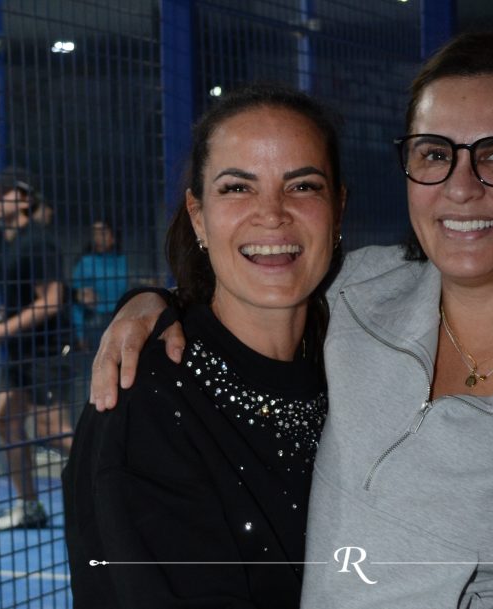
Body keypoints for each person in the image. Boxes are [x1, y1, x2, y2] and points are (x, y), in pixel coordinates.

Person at [92, 33, 493, 608]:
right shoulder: (359, 297)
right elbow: (265, 269)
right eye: (434, 153)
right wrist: (153, 304)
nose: (461, 186)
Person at [62, 83, 347, 608]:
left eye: (303, 186)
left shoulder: (356, 357)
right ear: (198, 215)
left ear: (338, 208)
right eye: (238, 188)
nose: (272, 213)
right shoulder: (147, 403)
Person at [0, 166, 74, 530]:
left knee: (53, 431)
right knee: (6, 420)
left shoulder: (38, 242)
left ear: (26, 199)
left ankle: (128, 481)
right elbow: (18, 300)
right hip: (19, 350)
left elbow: (52, 300)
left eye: (5, 191)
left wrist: (1, 331)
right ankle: (29, 506)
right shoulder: (1, 243)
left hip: (47, 350)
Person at [71, 219, 130, 350]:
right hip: (94, 323)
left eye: (102, 233)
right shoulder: (85, 262)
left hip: (120, 319)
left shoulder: (122, 260)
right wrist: (79, 335)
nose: (97, 237)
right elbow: (76, 301)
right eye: (95, 233)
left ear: (113, 237)